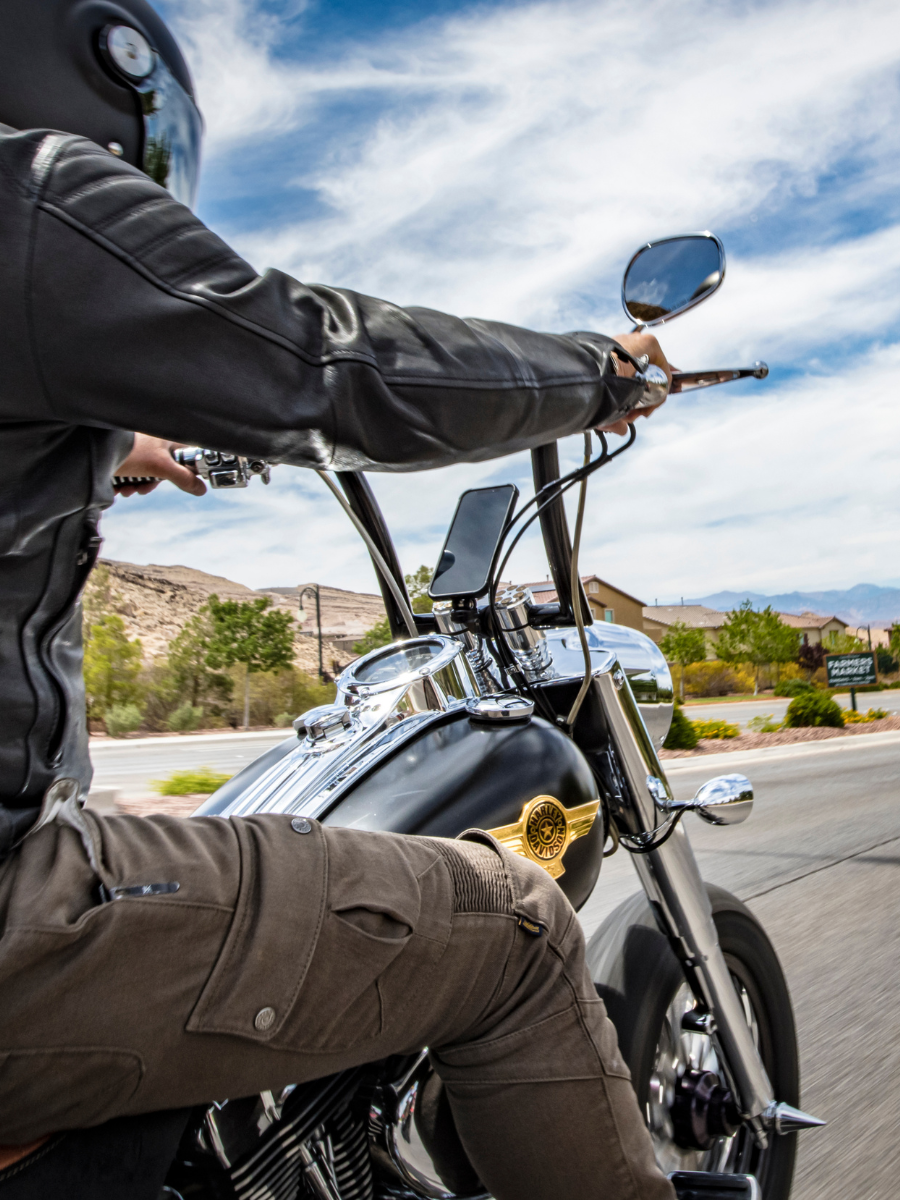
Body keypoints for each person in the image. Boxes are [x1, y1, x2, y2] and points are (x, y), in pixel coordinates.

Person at [0, 2, 678, 1197]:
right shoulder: (29, 198)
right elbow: (324, 361)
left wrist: (95, 441)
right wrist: (594, 374)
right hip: (15, 913)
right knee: (511, 924)